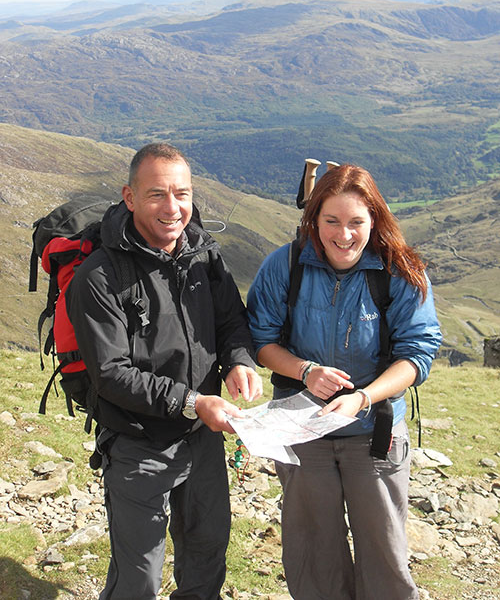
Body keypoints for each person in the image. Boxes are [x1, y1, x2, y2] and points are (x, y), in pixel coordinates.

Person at [66, 142, 262, 600]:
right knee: (139, 577)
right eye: (157, 194)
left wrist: (239, 361)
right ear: (129, 197)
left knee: (207, 551)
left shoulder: (202, 254)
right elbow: (110, 372)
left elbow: (232, 319)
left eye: (182, 194)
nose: (173, 208)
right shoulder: (99, 276)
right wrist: (194, 402)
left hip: (203, 438)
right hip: (138, 444)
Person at [247, 163, 442, 600]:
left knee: (384, 554)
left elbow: (417, 354)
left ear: (375, 219)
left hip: (374, 434)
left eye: (356, 222)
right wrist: (305, 371)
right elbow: (260, 340)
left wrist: (363, 398)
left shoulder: (399, 271)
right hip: (303, 431)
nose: (344, 234)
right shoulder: (287, 264)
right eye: (331, 221)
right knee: (315, 552)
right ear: (314, 218)